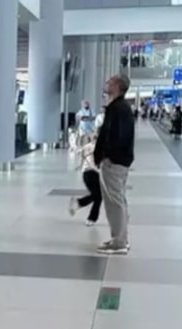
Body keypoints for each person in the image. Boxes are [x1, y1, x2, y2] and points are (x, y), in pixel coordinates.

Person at [94, 74, 135, 255]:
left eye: (110, 81)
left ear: (118, 85)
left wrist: (106, 155)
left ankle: (119, 242)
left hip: (114, 162)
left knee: (114, 201)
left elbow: (116, 136)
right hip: (118, 160)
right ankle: (121, 238)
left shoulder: (118, 109)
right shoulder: (120, 107)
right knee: (118, 199)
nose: (107, 83)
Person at [69, 138, 102, 226]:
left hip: (87, 173)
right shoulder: (96, 146)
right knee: (98, 196)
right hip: (92, 173)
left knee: (97, 195)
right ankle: (91, 218)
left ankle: (79, 203)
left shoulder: (88, 146)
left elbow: (82, 156)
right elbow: (91, 161)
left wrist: (80, 166)